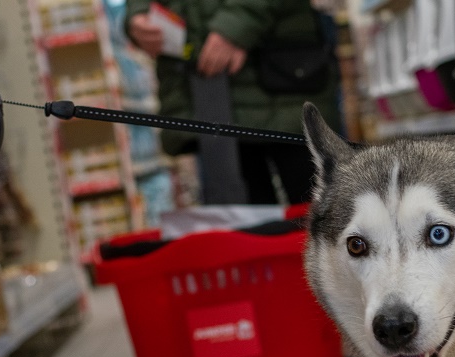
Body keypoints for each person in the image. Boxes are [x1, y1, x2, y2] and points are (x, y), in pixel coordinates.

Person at [124, 0, 342, 205]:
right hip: (202, 94)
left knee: (320, 215)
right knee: (243, 225)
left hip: (283, 78)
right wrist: (137, 14)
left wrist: (236, 25)